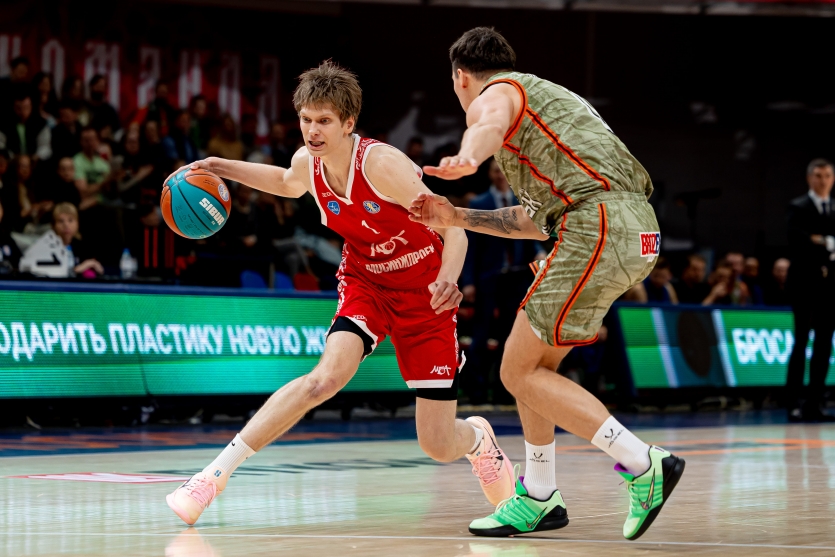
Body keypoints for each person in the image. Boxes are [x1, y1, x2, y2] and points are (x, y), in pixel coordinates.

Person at [165, 61, 515, 526]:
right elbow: (285, 182)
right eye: (306, 119)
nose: (313, 131)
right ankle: (211, 478)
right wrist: (219, 167)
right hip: (367, 283)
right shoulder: (306, 164)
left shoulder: (382, 165)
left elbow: (454, 229)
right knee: (323, 380)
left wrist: (449, 279)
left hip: (424, 293)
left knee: (437, 444)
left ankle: (478, 440)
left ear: (349, 123)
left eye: (324, 121)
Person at [408, 27, 684, 540]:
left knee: (515, 370)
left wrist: (468, 156)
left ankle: (642, 463)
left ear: (461, 77)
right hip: (629, 229)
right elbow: (538, 221)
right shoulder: (549, 102)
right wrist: (457, 216)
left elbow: (487, 122)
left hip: (597, 226)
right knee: (533, 366)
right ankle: (539, 495)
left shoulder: (497, 93)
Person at [461, 158, 545, 402]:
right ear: (490, 174)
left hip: (516, 278)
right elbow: (471, 248)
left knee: (511, 335)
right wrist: (468, 281)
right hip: (488, 277)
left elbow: (531, 236)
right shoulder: (479, 203)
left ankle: (504, 391)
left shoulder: (522, 203)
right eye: (496, 171)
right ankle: (477, 392)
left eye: (503, 171)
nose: (500, 175)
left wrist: (539, 251)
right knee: (481, 333)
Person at [785, 159, 835, 422]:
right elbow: (798, 241)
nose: (822, 180)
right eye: (818, 175)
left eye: (827, 175)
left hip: (830, 287)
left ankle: (815, 403)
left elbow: (815, 241)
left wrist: (820, 241)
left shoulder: (834, 208)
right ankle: (793, 402)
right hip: (804, 285)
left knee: (824, 345)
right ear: (809, 178)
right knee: (801, 341)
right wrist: (826, 243)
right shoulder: (798, 206)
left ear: (833, 179)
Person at [0, 86, 52, 161]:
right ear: (13, 107)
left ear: (31, 106)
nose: (23, 112)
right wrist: (12, 157)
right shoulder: (5, 124)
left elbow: (45, 147)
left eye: (26, 108)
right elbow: (1, 145)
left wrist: (35, 157)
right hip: (11, 162)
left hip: (36, 162)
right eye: (19, 108)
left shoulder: (40, 123)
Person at [73, 127, 111, 210]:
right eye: (86, 140)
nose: (90, 143)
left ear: (98, 141)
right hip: (87, 204)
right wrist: (103, 183)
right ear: (81, 142)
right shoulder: (76, 161)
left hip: (105, 201)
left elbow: (109, 189)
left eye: (93, 139)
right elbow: (83, 192)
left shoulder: (102, 162)